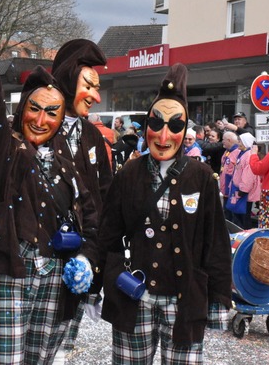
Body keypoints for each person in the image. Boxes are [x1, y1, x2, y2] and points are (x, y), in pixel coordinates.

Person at [0, 0, 99, 364]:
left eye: (52, 113)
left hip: (56, 278)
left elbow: (92, 219)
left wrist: (88, 261)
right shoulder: (4, 150)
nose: (41, 120)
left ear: (62, 118)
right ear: (23, 109)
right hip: (7, 270)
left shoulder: (68, 161)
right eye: (34, 109)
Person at [99, 63, 232, 364]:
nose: (163, 135)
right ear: (146, 125)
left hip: (184, 300)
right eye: (156, 124)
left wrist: (220, 297)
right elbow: (108, 234)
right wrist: (97, 285)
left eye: (174, 126)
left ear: (185, 131)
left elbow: (216, 243)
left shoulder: (201, 177)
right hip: (133, 296)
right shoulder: (128, 174)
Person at [50, 38, 113, 361]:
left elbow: (104, 198)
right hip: (43, 256)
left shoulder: (92, 136)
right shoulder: (42, 125)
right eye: (89, 85)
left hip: (80, 256)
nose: (96, 96)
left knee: (64, 343)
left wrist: (95, 266)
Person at [230, 133, 261, 230]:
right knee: (239, 216)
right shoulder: (242, 153)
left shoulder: (248, 156)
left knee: (243, 217)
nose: (238, 143)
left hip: (243, 192)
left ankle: (244, 236)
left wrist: (243, 190)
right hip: (239, 189)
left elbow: (248, 175)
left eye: (240, 141)